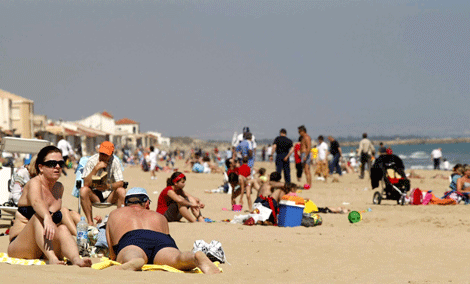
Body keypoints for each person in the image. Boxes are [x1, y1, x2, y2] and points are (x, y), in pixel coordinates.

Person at [7, 146, 91, 267]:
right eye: (52, 163)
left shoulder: (59, 188)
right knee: (38, 217)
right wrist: (47, 217)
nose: (57, 166)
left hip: (44, 246)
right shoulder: (34, 183)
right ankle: (52, 258)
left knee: (62, 229)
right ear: (40, 167)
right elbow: (36, 202)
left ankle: (76, 259)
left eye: (60, 163)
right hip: (21, 245)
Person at [105, 187, 220, 273]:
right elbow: (167, 236)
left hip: (132, 239)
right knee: (176, 259)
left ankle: (135, 259)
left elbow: (111, 246)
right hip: (161, 240)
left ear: (126, 203)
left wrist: (114, 257)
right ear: (146, 203)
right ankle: (193, 257)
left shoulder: (115, 213)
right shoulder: (159, 216)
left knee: (132, 252)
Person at [80, 141, 126, 225]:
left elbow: (120, 183)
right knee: (83, 190)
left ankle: (119, 222)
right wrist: (96, 169)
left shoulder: (115, 161)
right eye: (102, 154)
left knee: (122, 191)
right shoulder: (92, 161)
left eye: (106, 155)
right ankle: (90, 222)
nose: (103, 157)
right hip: (95, 194)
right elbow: (85, 183)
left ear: (111, 154)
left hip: (110, 194)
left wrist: (108, 186)